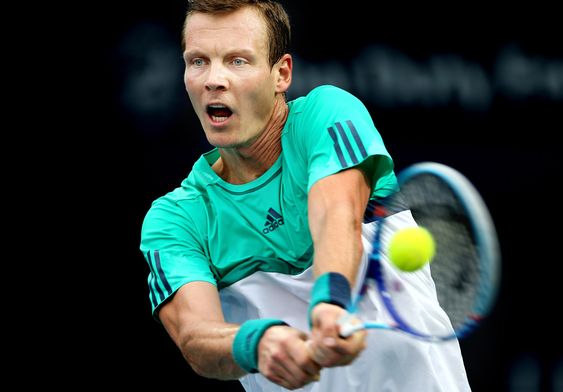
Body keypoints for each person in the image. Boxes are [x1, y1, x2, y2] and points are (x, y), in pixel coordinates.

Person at [140, 0, 472, 390]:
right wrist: (258, 343)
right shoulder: (175, 220)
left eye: (237, 61)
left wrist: (330, 303)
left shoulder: (327, 114)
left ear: (281, 74)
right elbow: (196, 338)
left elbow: (336, 214)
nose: (214, 79)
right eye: (198, 61)